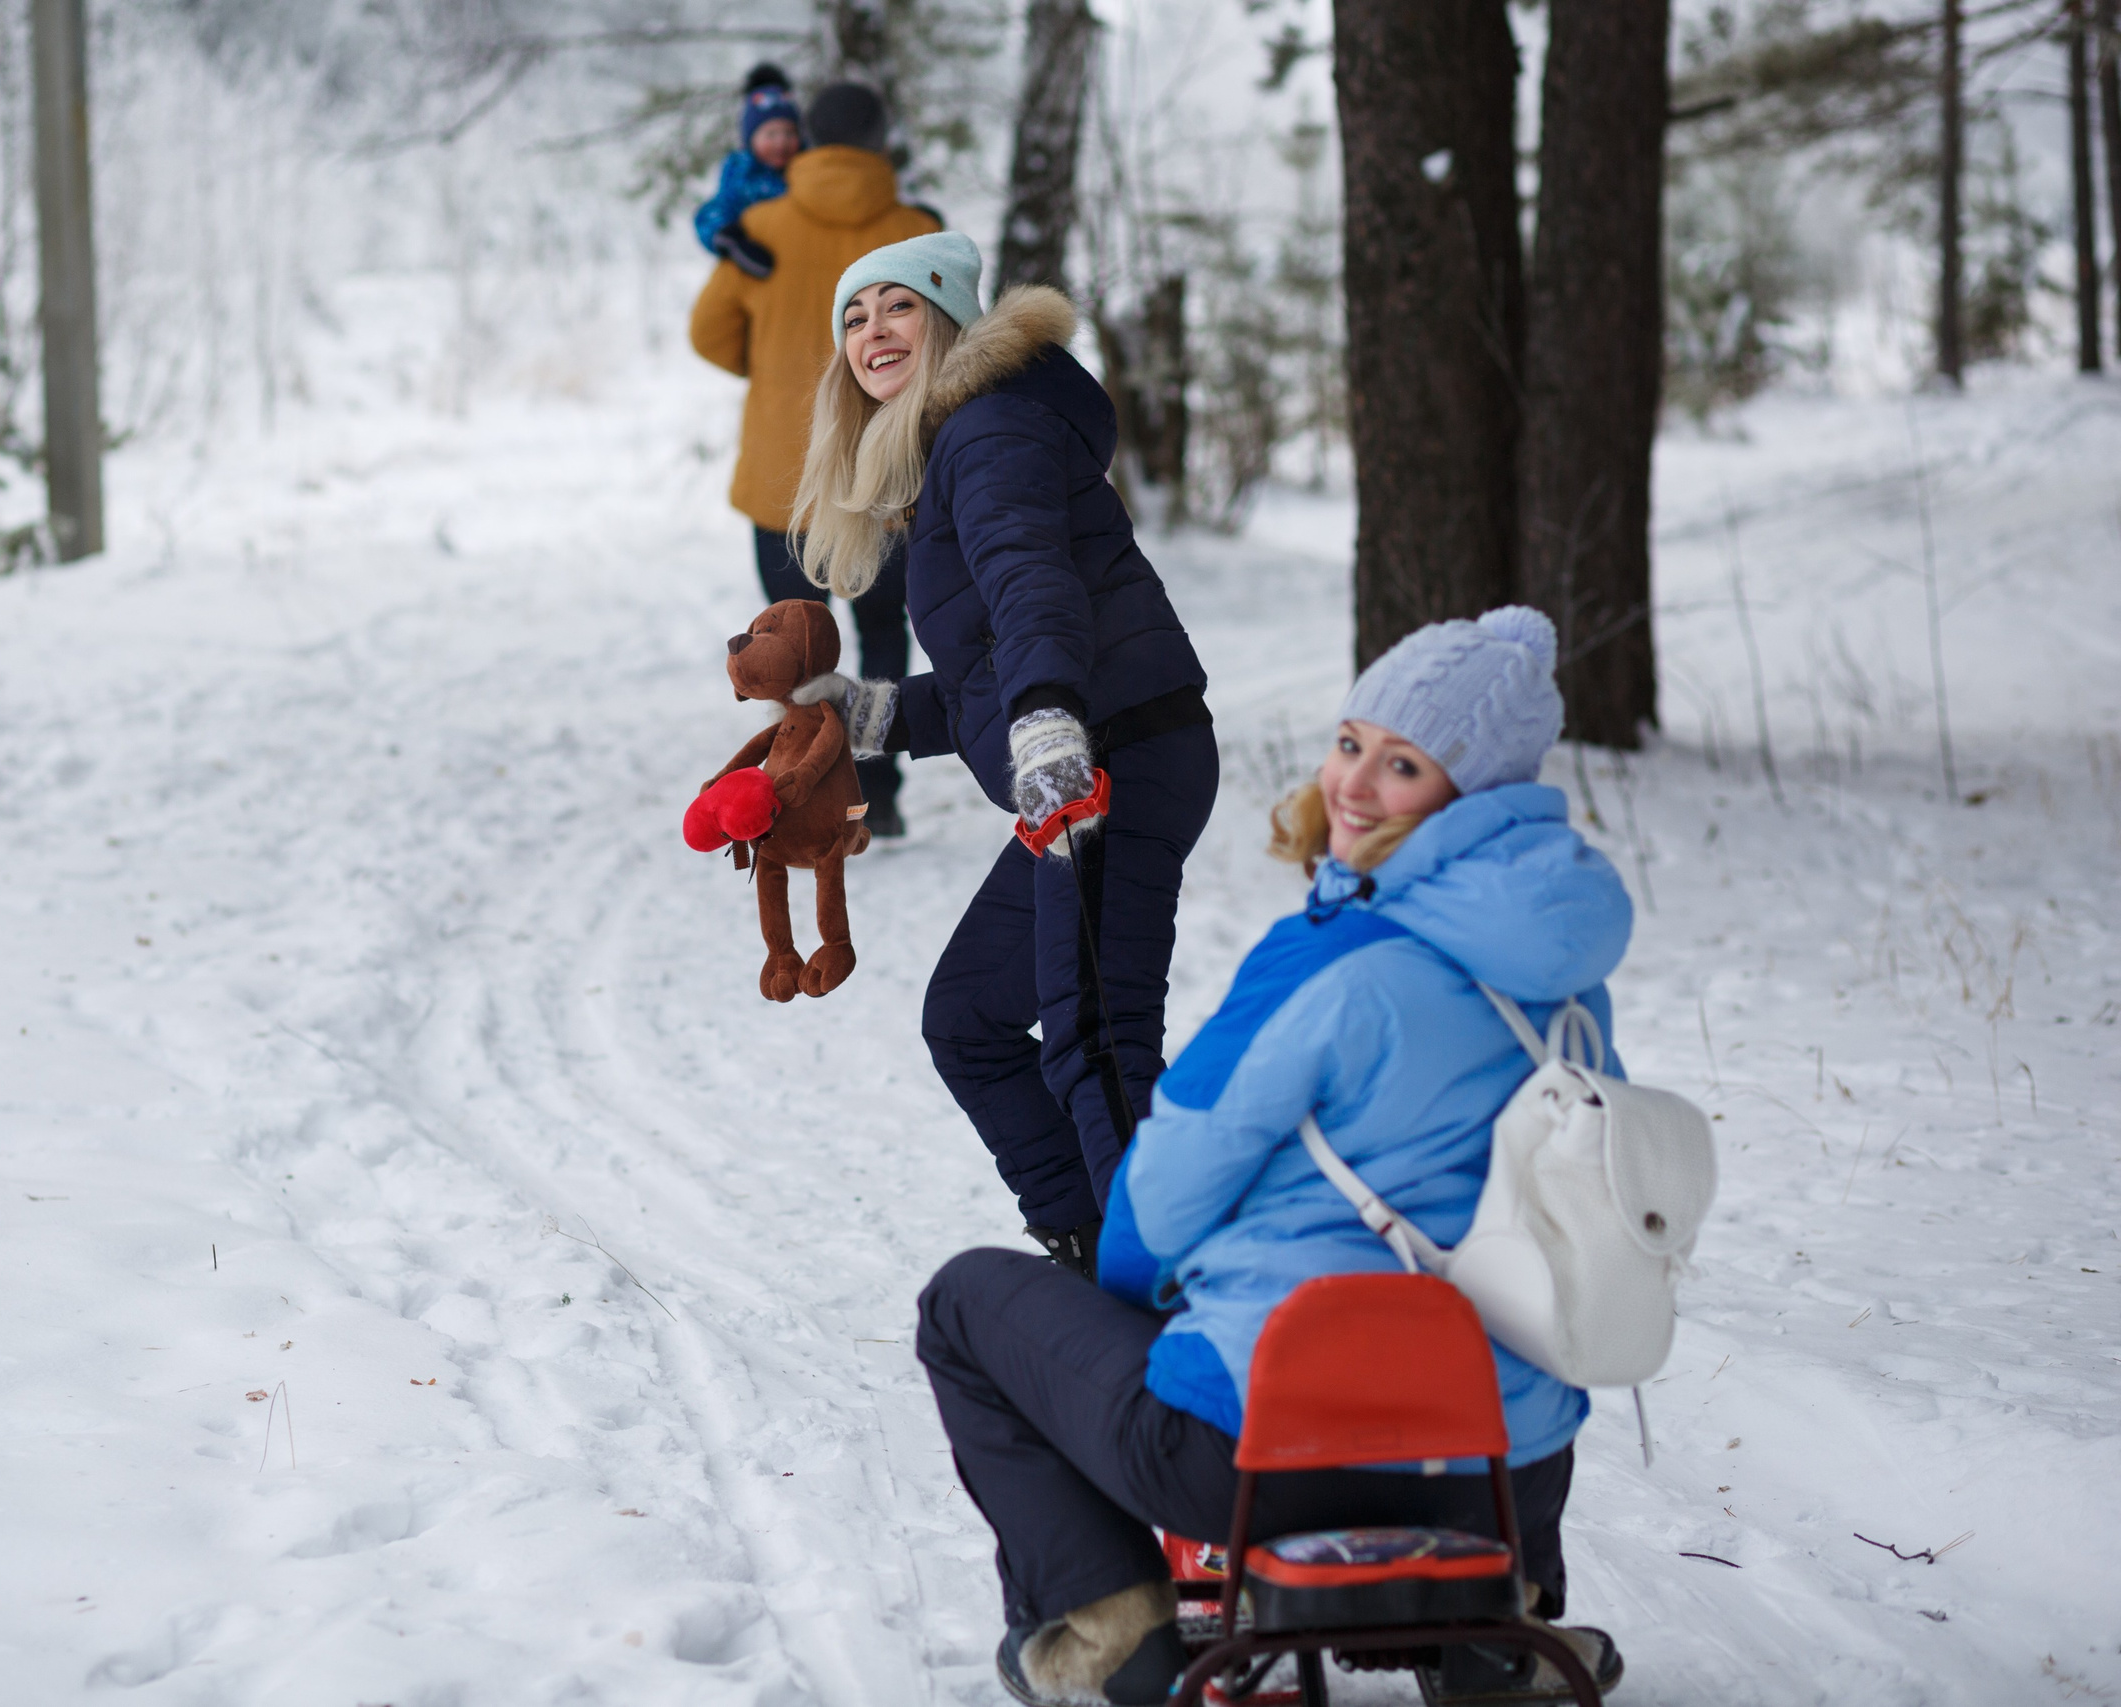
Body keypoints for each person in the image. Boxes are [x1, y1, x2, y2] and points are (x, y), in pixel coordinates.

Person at [914, 608, 1636, 1707]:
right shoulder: (1568, 983)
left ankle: (1114, 1633)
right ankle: (1502, 1624)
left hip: (1269, 1457)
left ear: (1469, 795)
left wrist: (1133, 1313)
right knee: (1488, 1333)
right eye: (1349, 743)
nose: (1352, 784)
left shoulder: (1329, 965)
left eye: (1402, 765)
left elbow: (1159, 1192)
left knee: (966, 1307)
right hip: (1500, 1468)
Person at [787, 230, 1215, 1269]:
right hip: (1090, 750)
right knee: (971, 1019)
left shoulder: (989, 432)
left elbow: (1033, 587)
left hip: (1102, 760)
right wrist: (871, 716)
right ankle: (1090, 1245)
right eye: (852, 315)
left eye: (897, 307)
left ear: (947, 320)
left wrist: (1048, 723)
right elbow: (992, 663)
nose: (871, 332)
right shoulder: (966, 443)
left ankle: (1187, 1303)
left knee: (1098, 1045)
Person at [689, 83, 939, 837]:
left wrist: (771, 369)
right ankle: (883, 791)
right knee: (884, 628)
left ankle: (813, 796)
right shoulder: (915, 232)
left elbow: (708, 332)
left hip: (783, 480)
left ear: (806, 139)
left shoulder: (761, 227)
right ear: (882, 138)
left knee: (796, 643)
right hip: (886, 475)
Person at [692, 63, 801, 278]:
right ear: (751, 140)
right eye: (771, 135)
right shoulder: (741, 173)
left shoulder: (806, 169)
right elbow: (714, 211)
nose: (781, 142)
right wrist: (730, 239)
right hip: (754, 270)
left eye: (789, 133)